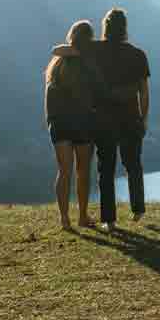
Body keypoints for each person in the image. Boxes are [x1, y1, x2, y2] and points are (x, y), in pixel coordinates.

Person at [91, 7, 150, 230]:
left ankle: (109, 220)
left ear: (105, 27)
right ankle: (138, 210)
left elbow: (66, 50)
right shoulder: (137, 54)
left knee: (106, 168)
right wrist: (143, 119)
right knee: (133, 164)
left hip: (104, 118)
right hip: (130, 117)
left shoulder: (95, 50)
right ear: (125, 28)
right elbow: (144, 92)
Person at [44, 20, 103, 230]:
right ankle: (83, 216)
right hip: (83, 123)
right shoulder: (90, 61)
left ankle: (64, 219)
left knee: (64, 171)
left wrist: (51, 121)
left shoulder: (57, 64)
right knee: (83, 171)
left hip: (59, 123)